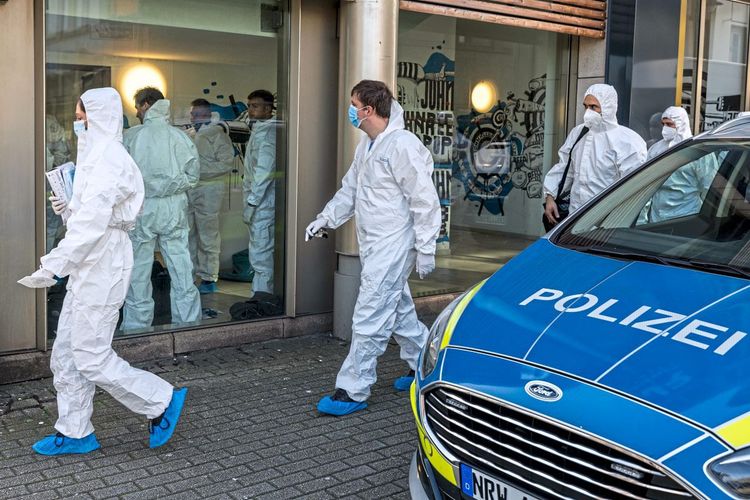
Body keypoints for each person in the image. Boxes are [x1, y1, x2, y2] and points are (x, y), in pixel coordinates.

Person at [18, 88, 187, 455]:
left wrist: (54, 265)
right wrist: (67, 207)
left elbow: (94, 225)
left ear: (97, 117)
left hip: (104, 262)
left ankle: (160, 400)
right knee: (65, 354)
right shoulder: (96, 157)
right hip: (91, 262)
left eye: (81, 118)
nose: (77, 124)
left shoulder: (110, 158)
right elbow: (89, 218)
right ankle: (76, 430)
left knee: (91, 356)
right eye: (77, 118)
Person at [305, 80, 441, 416]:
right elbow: (351, 190)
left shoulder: (401, 145)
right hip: (376, 243)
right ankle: (424, 363)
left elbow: (424, 199)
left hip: (394, 243)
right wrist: (326, 219)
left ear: (367, 110)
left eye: (353, 104)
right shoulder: (368, 145)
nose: (350, 110)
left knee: (370, 314)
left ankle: (354, 388)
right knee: (397, 309)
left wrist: (426, 247)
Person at [121, 87, 202, 330]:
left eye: (137, 106)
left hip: (142, 207)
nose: (136, 111)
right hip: (173, 207)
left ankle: (137, 327)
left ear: (146, 105)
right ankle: (188, 324)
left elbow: (121, 178)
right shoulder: (180, 137)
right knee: (181, 267)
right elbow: (193, 175)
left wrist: (146, 188)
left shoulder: (131, 137)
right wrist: (170, 185)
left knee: (138, 270)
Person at [543, 84, 647, 228]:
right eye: (585, 106)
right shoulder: (578, 133)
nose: (587, 112)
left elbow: (634, 188)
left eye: (593, 107)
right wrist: (550, 196)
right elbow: (564, 168)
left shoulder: (628, 141)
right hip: (575, 217)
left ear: (608, 107)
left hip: (608, 223)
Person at [186, 98, 235, 294]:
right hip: (190, 189)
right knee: (188, 234)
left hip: (209, 191)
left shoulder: (218, 134)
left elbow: (226, 163)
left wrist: (197, 171)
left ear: (207, 114)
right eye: (192, 114)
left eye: (197, 114)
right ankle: (188, 276)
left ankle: (208, 278)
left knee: (208, 235)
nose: (193, 117)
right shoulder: (190, 134)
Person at [638, 106, 718, 223]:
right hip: (656, 217)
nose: (665, 128)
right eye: (663, 124)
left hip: (687, 215)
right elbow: (646, 185)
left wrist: (708, 218)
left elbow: (709, 186)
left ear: (681, 124)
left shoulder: (697, 151)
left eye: (670, 124)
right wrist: (642, 219)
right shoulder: (655, 150)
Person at [242, 90, 277, 296]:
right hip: (257, 202)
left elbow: (265, 171)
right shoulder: (259, 130)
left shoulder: (270, 132)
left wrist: (253, 202)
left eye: (255, 106)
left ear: (268, 108)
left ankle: (262, 298)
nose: (251, 110)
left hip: (263, 203)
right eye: (249, 105)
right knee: (258, 250)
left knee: (261, 252)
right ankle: (259, 294)